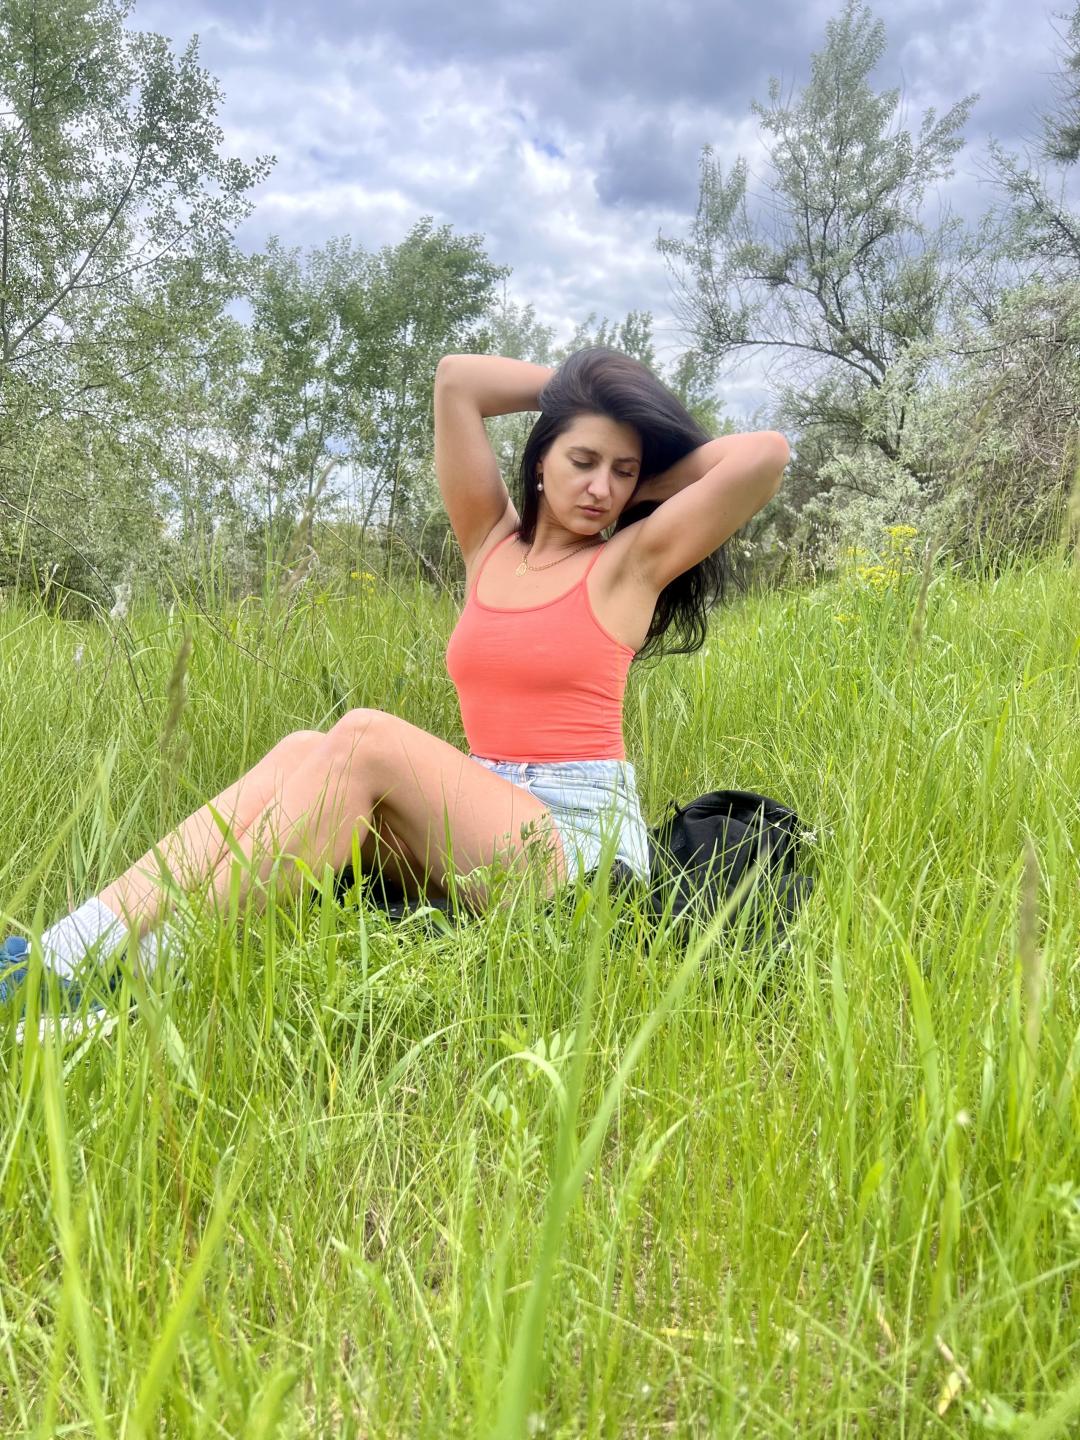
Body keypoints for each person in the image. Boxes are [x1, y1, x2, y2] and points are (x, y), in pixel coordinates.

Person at [0, 347, 789, 1017]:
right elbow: (457, 382)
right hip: (487, 819)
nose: (601, 488)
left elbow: (765, 454)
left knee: (365, 737)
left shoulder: (629, 564)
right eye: (583, 462)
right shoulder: (490, 546)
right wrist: (574, 387)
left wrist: (648, 474)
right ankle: (63, 950)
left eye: (621, 472)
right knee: (303, 748)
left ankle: (128, 979)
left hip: (579, 851)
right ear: (540, 459)